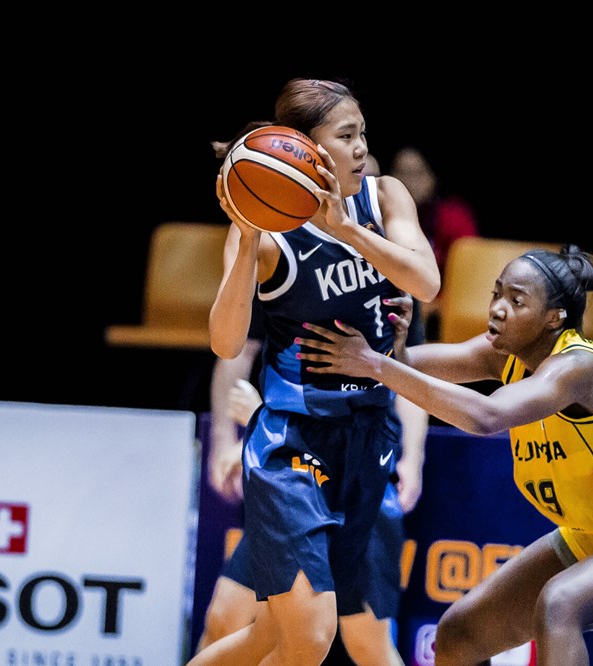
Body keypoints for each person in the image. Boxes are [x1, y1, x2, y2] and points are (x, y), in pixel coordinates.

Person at [296, 244, 593, 665]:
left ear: (554, 318)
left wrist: (378, 365)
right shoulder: (502, 355)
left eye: (516, 300)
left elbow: (486, 417)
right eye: (495, 294)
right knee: (459, 633)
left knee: (561, 603)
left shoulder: (579, 368)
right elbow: (413, 365)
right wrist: (390, 348)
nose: (496, 308)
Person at [192, 77, 441, 665]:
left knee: (275, 637)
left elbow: (426, 281)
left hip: (368, 438)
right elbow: (227, 344)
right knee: (303, 636)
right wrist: (247, 242)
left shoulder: (385, 198)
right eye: (347, 136)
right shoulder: (268, 229)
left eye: (363, 135)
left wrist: (348, 231)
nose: (361, 148)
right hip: (294, 442)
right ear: (304, 150)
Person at [198, 321, 428, 663]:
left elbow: (411, 368)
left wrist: (414, 457)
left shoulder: (398, 278)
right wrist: (231, 438)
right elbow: (237, 347)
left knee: (366, 644)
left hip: (362, 477)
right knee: (227, 620)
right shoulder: (280, 271)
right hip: (292, 481)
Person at [389, 146, 479, 342]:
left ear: (433, 176)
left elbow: (468, 279)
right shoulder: (383, 217)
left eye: (417, 173)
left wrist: (433, 302)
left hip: (437, 310)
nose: (408, 182)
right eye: (401, 172)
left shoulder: (454, 217)